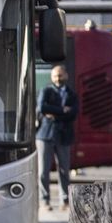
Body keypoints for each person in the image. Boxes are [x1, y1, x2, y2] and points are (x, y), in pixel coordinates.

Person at [36, 65, 78, 210]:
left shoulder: (72, 94)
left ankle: (65, 200)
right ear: (51, 77)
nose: (57, 78)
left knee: (64, 170)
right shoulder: (46, 90)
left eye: (60, 75)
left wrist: (54, 113)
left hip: (64, 135)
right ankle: (45, 199)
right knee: (43, 170)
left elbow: (73, 113)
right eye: (55, 76)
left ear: (66, 75)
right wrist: (62, 110)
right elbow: (42, 108)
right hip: (45, 135)